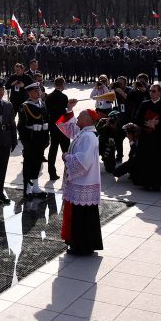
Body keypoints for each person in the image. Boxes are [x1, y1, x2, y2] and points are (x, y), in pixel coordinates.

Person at [55, 104, 103, 256]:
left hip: (83, 181)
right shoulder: (85, 133)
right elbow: (68, 126)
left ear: (88, 120)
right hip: (82, 182)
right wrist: (68, 109)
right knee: (82, 216)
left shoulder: (88, 137)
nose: (78, 118)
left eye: (80, 116)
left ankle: (82, 246)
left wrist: (66, 157)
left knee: (82, 217)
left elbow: (83, 161)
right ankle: (81, 244)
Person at [126, 84, 161, 190]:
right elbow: (137, 119)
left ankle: (157, 184)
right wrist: (147, 123)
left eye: (154, 91)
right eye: (150, 91)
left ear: (159, 92)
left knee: (157, 160)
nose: (151, 93)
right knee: (145, 159)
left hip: (158, 137)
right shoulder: (144, 104)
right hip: (146, 136)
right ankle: (145, 182)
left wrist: (155, 125)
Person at [18, 82, 50, 198]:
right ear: (30, 93)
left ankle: (35, 186)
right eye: (36, 91)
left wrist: (46, 137)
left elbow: (46, 119)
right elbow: (21, 126)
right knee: (28, 163)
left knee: (38, 162)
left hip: (41, 138)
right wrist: (26, 141)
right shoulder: (25, 106)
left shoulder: (42, 104)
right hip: (31, 139)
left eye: (39, 90)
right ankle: (27, 187)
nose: (39, 93)